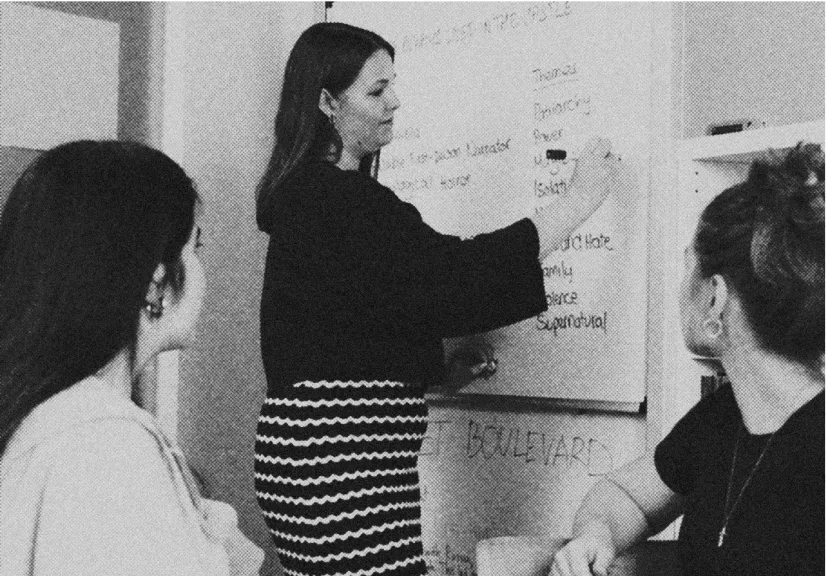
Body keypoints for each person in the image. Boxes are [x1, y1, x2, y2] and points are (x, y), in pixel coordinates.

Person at [254, 22, 625, 576]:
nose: (394, 102)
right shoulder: (338, 200)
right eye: (376, 91)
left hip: (322, 458)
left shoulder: (313, 198)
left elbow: (359, 322)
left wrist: (436, 370)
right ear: (327, 102)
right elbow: (455, 280)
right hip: (336, 463)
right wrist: (578, 202)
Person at [550, 142, 824, 576]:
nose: (679, 291)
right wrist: (598, 532)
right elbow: (626, 495)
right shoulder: (725, 415)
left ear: (715, 299)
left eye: (685, 270)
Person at [0, 141, 263, 576]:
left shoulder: (51, 421)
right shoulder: (104, 446)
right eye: (194, 248)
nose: (201, 270)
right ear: (157, 278)